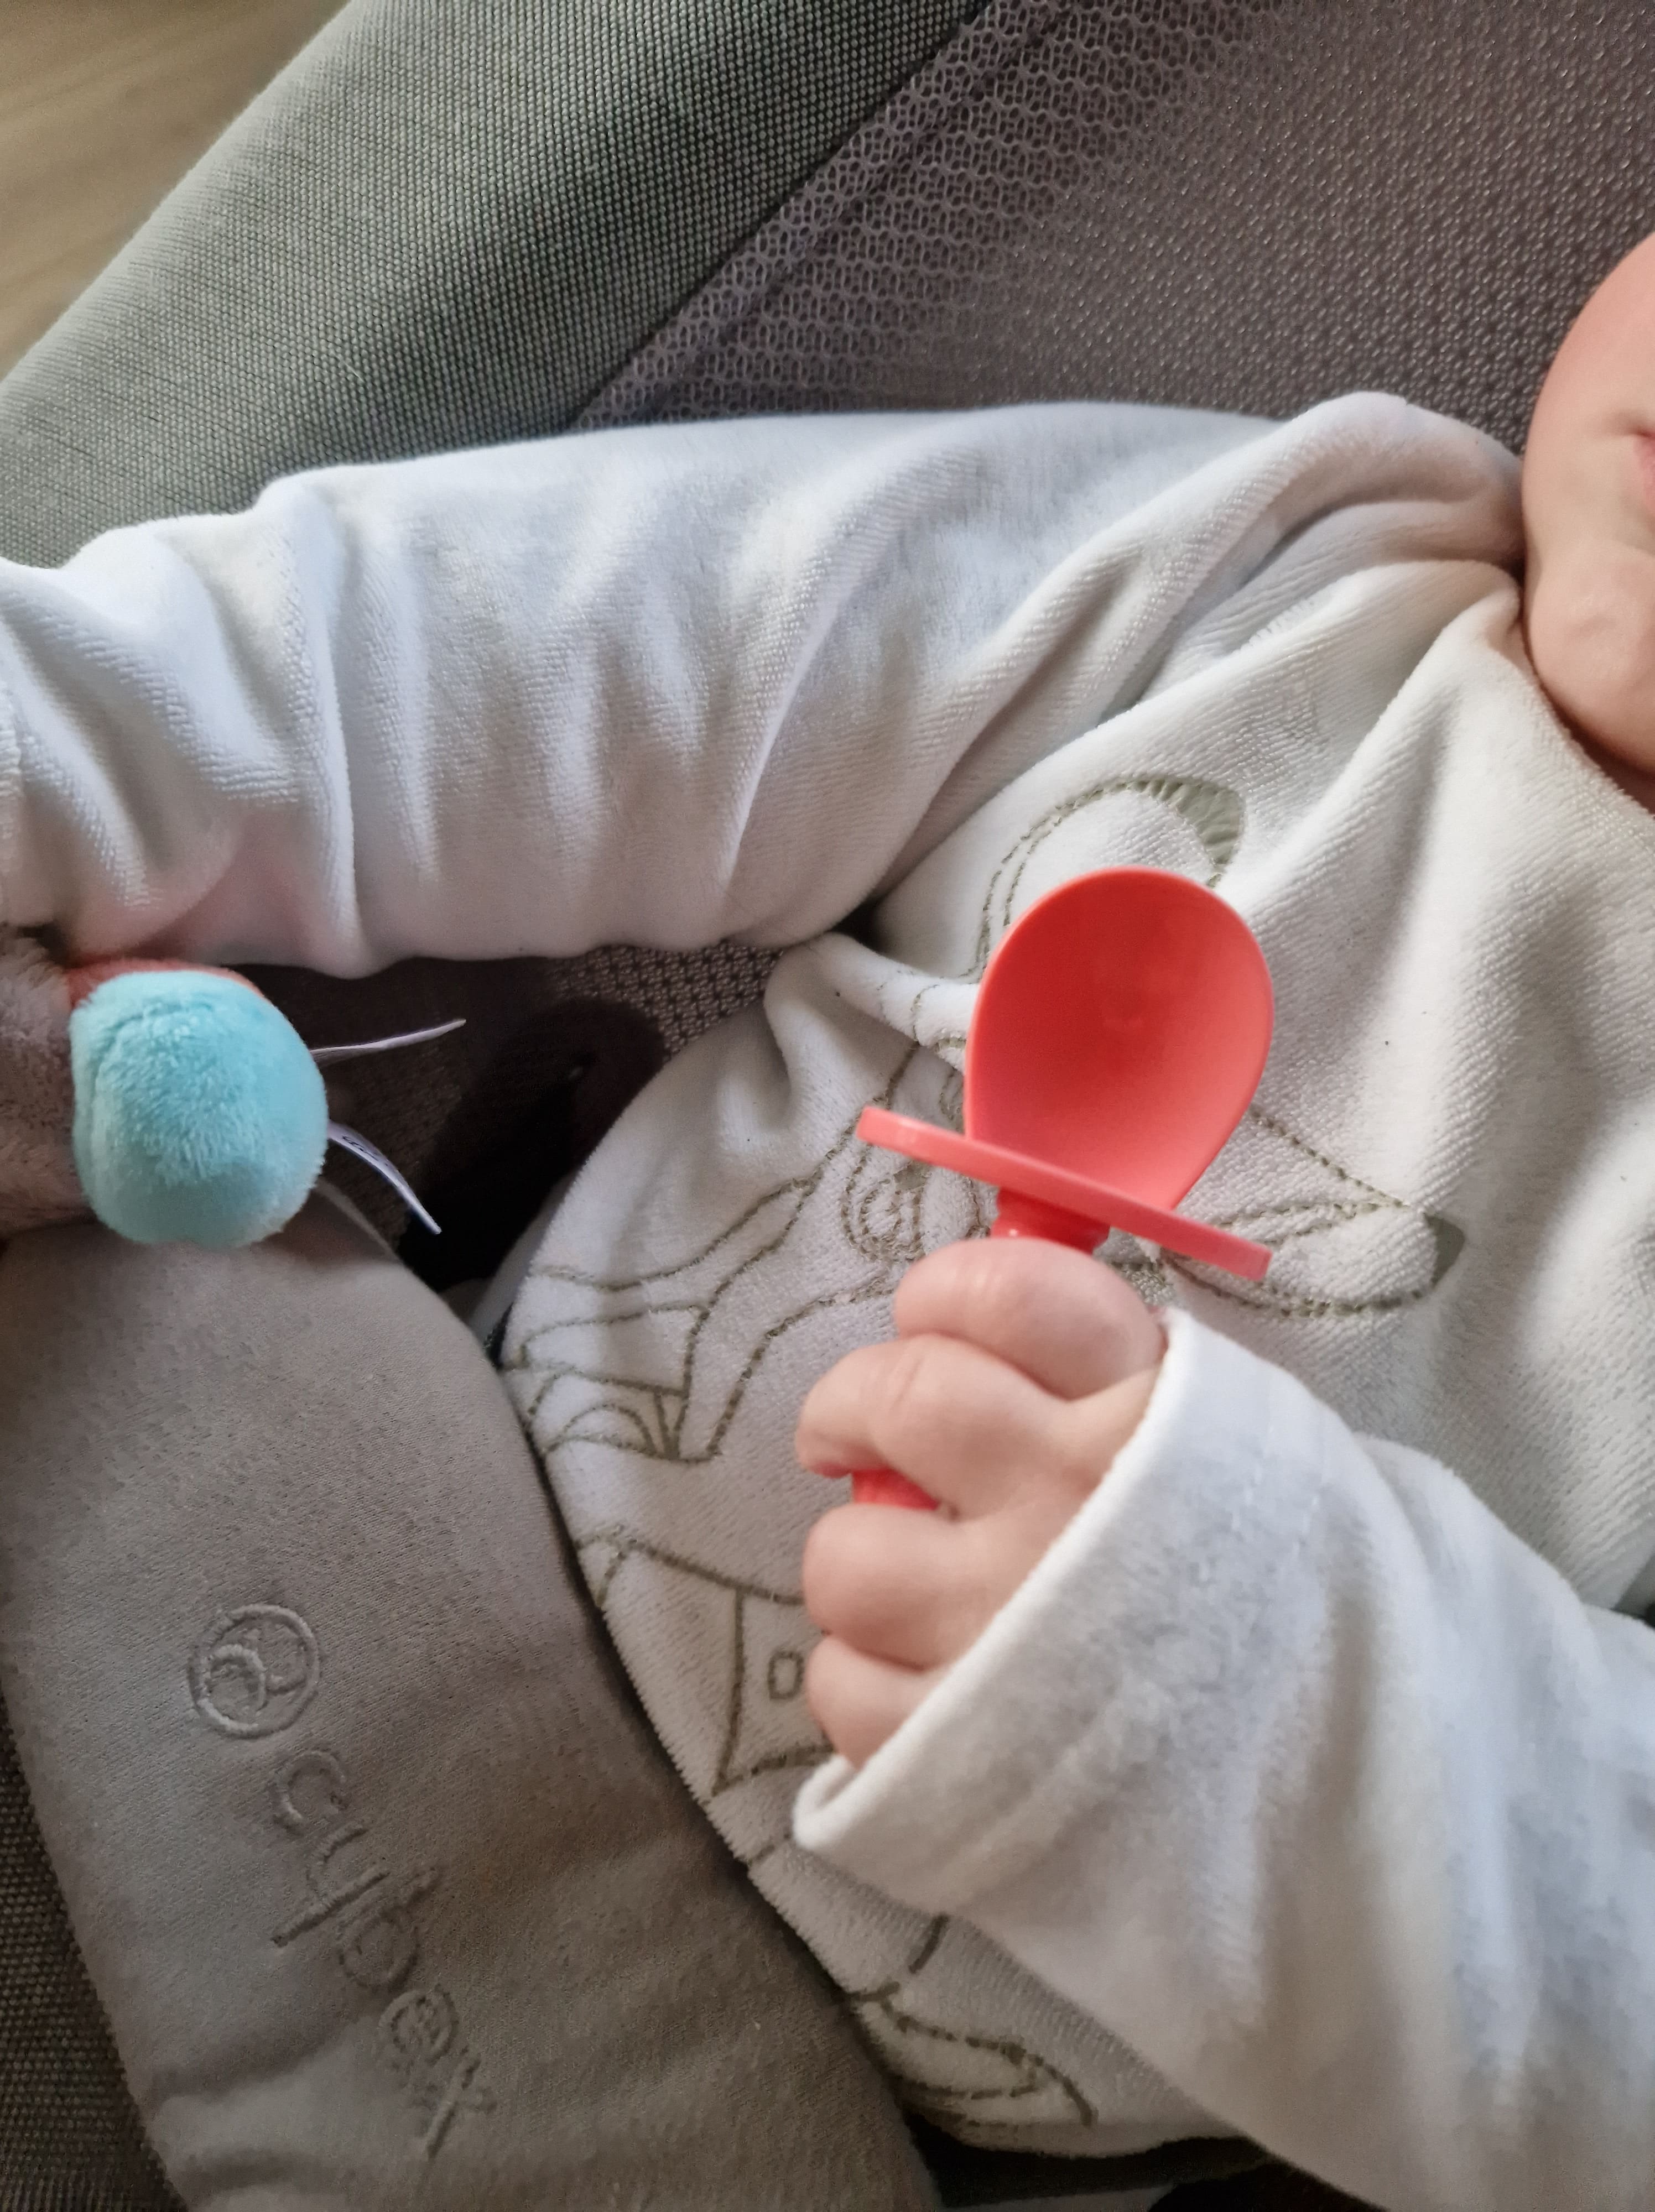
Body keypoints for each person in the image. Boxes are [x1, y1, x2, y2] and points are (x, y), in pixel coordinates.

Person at [6, 228, 1655, 2212]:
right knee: (158, 1300)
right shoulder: (1279, 574)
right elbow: (548, 643)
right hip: (439, 1510)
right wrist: (57, 746)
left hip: (845, 2125)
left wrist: (1235, 1668)